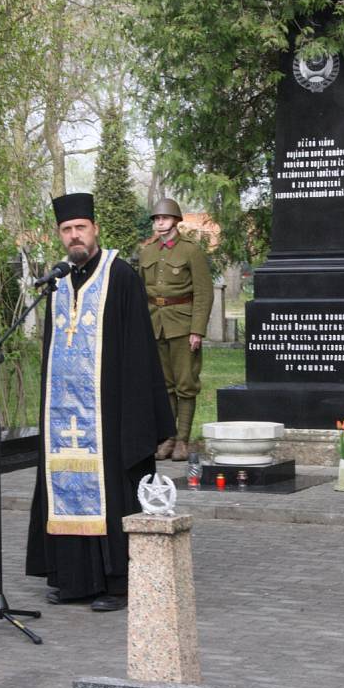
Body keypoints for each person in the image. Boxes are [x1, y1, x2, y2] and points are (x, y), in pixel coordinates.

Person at [26, 192, 174, 612]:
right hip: (63, 413)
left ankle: (116, 582)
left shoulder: (120, 275)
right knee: (63, 483)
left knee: (112, 487)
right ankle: (73, 579)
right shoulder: (56, 283)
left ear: (95, 230)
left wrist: (137, 415)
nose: (74, 236)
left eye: (80, 228)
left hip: (109, 411)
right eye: (66, 230)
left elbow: (140, 349)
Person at [139, 198, 213, 462]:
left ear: (175, 220)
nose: (160, 222)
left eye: (164, 218)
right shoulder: (147, 252)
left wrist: (197, 330)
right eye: (156, 219)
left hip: (183, 325)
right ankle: (168, 437)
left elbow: (204, 293)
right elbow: (141, 291)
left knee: (185, 384)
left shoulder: (190, 251)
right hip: (154, 323)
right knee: (165, 386)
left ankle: (182, 439)